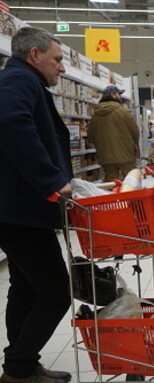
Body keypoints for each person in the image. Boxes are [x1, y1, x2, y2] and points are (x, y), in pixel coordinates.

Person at [0, 26, 74, 383]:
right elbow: (11, 123)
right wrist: (51, 180)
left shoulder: (21, 80)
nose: (61, 67)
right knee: (56, 292)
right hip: (20, 211)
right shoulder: (19, 80)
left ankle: (22, 366)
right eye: (57, 59)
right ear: (34, 56)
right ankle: (17, 368)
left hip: (15, 209)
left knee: (25, 286)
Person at [87, 85, 140, 182]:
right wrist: (134, 145)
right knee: (131, 182)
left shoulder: (96, 114)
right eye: (119, 94)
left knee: (111, 184)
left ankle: (115, 197)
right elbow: (135, 131)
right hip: (125, 155)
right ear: (113, 95)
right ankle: (131, 198)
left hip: (106, 156)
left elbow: (90, 136)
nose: (120, 96)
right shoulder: (123, 111)